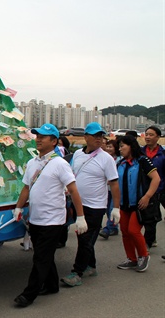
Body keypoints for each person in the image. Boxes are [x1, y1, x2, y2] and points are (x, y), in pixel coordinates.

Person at [12, 123, 87, 307]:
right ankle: (52, 285)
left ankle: (29, 294)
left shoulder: (60, 164)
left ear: (54, 141)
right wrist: (19, 207)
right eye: (37, 136)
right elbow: (26, 188)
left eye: (43, 137)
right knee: (43, 255)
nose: (38, 139)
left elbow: (73, 191)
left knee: (41, 258)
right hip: (36, 218)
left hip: (53, 220)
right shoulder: (32, 163)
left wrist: (80, 217)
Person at [60, 123, 120, 287]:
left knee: (86, 239)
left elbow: (114, 184)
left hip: (96, 207)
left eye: (101, 136)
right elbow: (71, 175)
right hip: (78, 205)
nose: (100, 139)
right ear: (86, 137)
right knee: (83, 238)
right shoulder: (78, 154)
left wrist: (116, 207)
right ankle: (91, 266)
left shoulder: (106, 159)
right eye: (96, 135)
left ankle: (77, 273)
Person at [116, 135, 160, 272]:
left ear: (131, 146)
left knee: (133, 231)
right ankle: (131, 259)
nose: (120, 149)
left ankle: (143, 256)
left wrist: (147, 197)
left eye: (122, 145)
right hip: (124, 204)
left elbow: (156, 179)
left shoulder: (142, 161)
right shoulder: (121, 163)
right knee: (124, 232)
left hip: (139, 204)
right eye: (119, 146)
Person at [141, 126, 165, 249]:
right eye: (146, 134)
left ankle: (148, 241)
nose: (148, 137)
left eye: (151, 135)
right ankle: (149, 240)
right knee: (148, 217)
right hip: (145, 189)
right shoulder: (140, 153)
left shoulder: (163, 154)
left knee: (152, 217)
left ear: (158, 137)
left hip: (160, 189)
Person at [99, 139, 121, 239]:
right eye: (107, 146)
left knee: (113, 208)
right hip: (106, 189)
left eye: (110, 147)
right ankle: (114, 227)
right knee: (108, 209)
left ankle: (108, 229)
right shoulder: (104, 159)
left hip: (116, 188)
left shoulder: (119, 160)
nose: (108, 148)